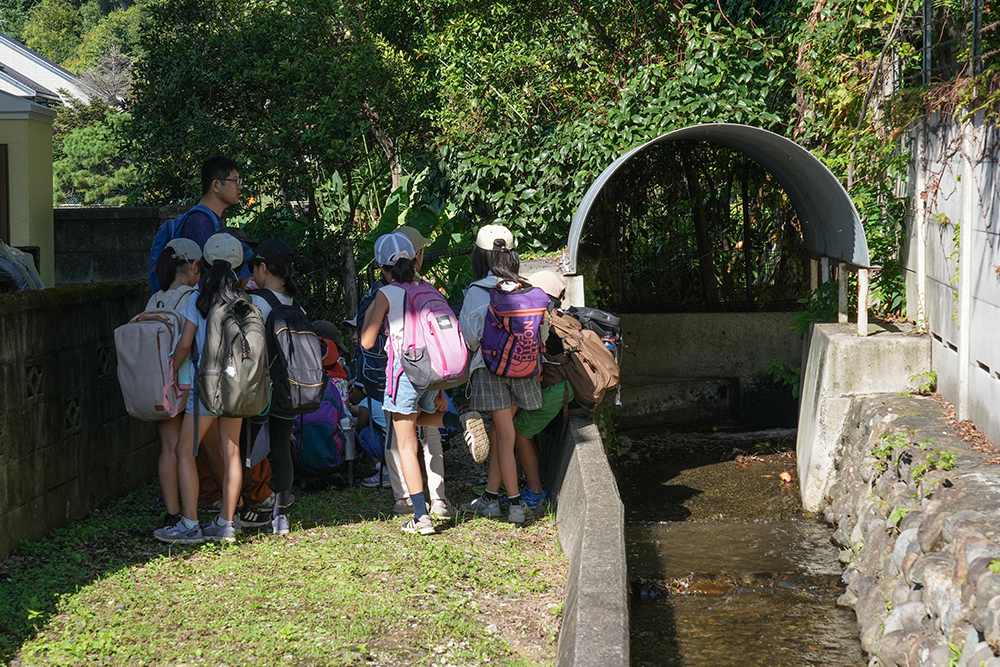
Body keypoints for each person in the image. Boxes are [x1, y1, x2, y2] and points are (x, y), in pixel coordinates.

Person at [360, 232, 479, 535]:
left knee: (406, 442)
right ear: (415, 260)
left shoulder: (386, 294)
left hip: (405, 371)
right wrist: (439, 389)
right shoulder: (429, 289)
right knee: (417, 424)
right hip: (432, 373)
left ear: (381, 266)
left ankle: (419, 515)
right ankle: (457, 419)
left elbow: (366, 341)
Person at [153, 232, 249, 544]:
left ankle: (190, 523)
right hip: (238, 384)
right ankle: (226, 524)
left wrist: (168, 368)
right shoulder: (245, 300)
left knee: (184, 450)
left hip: (206, 384)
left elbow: (184, 345)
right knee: (231, 451)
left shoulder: (199, 298)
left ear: (205, 262)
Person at [459, 224, 544, 525]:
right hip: (525, 370)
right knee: (500, 433)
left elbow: (470, 338)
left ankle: (515, 505)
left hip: (491, 370)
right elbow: (540, 334)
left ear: (479, 256)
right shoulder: (529, 289)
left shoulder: (477, 291)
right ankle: (490, 499)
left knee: (504, 435)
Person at [246, 238, 302, 535]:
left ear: (263, 267)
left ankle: (241, 506)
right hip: (290, 387)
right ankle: (280, 516)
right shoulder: (294, 302)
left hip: (260, 388)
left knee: (245, 446)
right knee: (280, 447)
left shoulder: (256, 302)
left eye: (254, 267)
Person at [147, 237, 202, 528]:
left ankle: (172, 513)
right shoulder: (192, 298)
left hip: (159, 382)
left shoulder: (155, 299)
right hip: (186, 381)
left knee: (168, 448)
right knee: (189, 450)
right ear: (193, 265)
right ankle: (196, 513)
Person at [510, 270, 574, 510]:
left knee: (519, 432)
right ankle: (528, 482)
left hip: (557, 388)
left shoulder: (540, 319)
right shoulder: (553, 316)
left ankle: (536, 493)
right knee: (524, 428)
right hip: (560, 385)